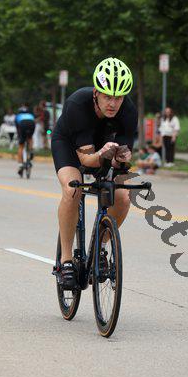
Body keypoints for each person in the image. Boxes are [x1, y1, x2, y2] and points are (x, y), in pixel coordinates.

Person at [51, 57, 137, 288]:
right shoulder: (77, 104)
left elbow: (124, 158)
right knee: (73, 190)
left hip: (104, 146)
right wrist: (103, 154)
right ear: (96, 93)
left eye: (118, 97)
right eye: (107, 96)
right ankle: (66, 261)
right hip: (70, 145)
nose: (113, 103)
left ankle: (100, 247)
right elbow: (86, 160)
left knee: (123, 197)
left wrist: (121, 159)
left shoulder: (128, 110)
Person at [15, 104, 35, 177]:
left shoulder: (18, 116)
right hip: (31, 123)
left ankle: (20, 164)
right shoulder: (30, 115)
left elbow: (17, 129)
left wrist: (20, 137)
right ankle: (31, 150)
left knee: (21, 146)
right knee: (30, 138)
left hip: (22, 124)